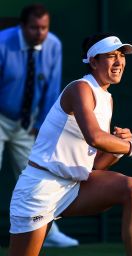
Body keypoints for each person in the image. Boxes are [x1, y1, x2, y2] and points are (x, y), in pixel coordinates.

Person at [8, 32, 132, 256]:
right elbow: (95, 137)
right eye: (111, 56)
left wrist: (119, 150)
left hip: (74, 187)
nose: (119, 61)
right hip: (40, 189)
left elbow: (94, 166)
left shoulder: (108, 99)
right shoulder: (79, 89)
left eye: (122, 56)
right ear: (93, 62)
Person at [0, 3, 78, 248]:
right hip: (0, 118)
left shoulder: (53, 44)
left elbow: (52, 87)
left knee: (37, 178)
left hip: (28, 123)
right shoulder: (2, 42)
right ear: (22, 26)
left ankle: (48, 233)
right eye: (34, 28)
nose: (39, 33)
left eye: (44, 28)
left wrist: (43, 124)